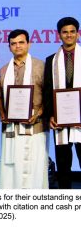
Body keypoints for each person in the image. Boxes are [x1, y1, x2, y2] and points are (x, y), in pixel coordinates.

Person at [0, 29, 48, 189]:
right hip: (12, 129)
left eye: (21, 42)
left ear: (29, 44)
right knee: (11, 172)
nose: (17, 46)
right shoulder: (4, 70)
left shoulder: (42, 67)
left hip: (36, 127)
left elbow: (49, 96)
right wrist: (2, 112)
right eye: (13, 43)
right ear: (9, 46)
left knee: (36, 171)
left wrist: (39, 113)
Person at [43, 17, 81, 189]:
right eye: (65, 32)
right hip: (60, 119)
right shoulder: (51, 60)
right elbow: (48, 90)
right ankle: (65, 202)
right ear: (59, 35)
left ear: (77, 33)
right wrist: (50, 114)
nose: (69, 35)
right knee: (63, 165)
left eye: (72, 31)